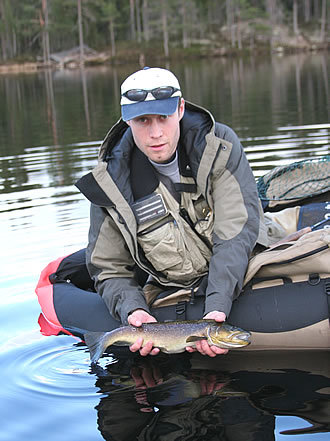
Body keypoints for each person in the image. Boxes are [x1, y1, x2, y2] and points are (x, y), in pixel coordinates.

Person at [77, 67, 260, 358]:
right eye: (142, 121)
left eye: (163, 117)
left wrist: (217, 306)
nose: (156, 133)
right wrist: (133, 309)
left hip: (239, 270)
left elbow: (235, 234)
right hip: (169, 285)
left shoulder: (219, 147)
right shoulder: (109, 182)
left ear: (181, 108)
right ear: (127, 120)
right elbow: (108, 267)